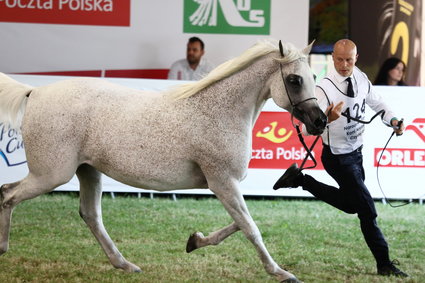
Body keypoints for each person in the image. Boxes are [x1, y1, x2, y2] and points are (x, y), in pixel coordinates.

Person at [274, 39, 408, 278]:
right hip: (337, 158)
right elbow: (307, 129)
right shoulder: (323, 88)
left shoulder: (361, 78)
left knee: (350, 205)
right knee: (368, 211)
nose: (344, 65)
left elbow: (378, 103)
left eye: (349, 59)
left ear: (356, 57)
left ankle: (300, 180)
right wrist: (327, 120)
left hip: (357, 154)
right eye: (339, 59)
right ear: (332, 58)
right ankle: (384, 263)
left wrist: (394, 121)